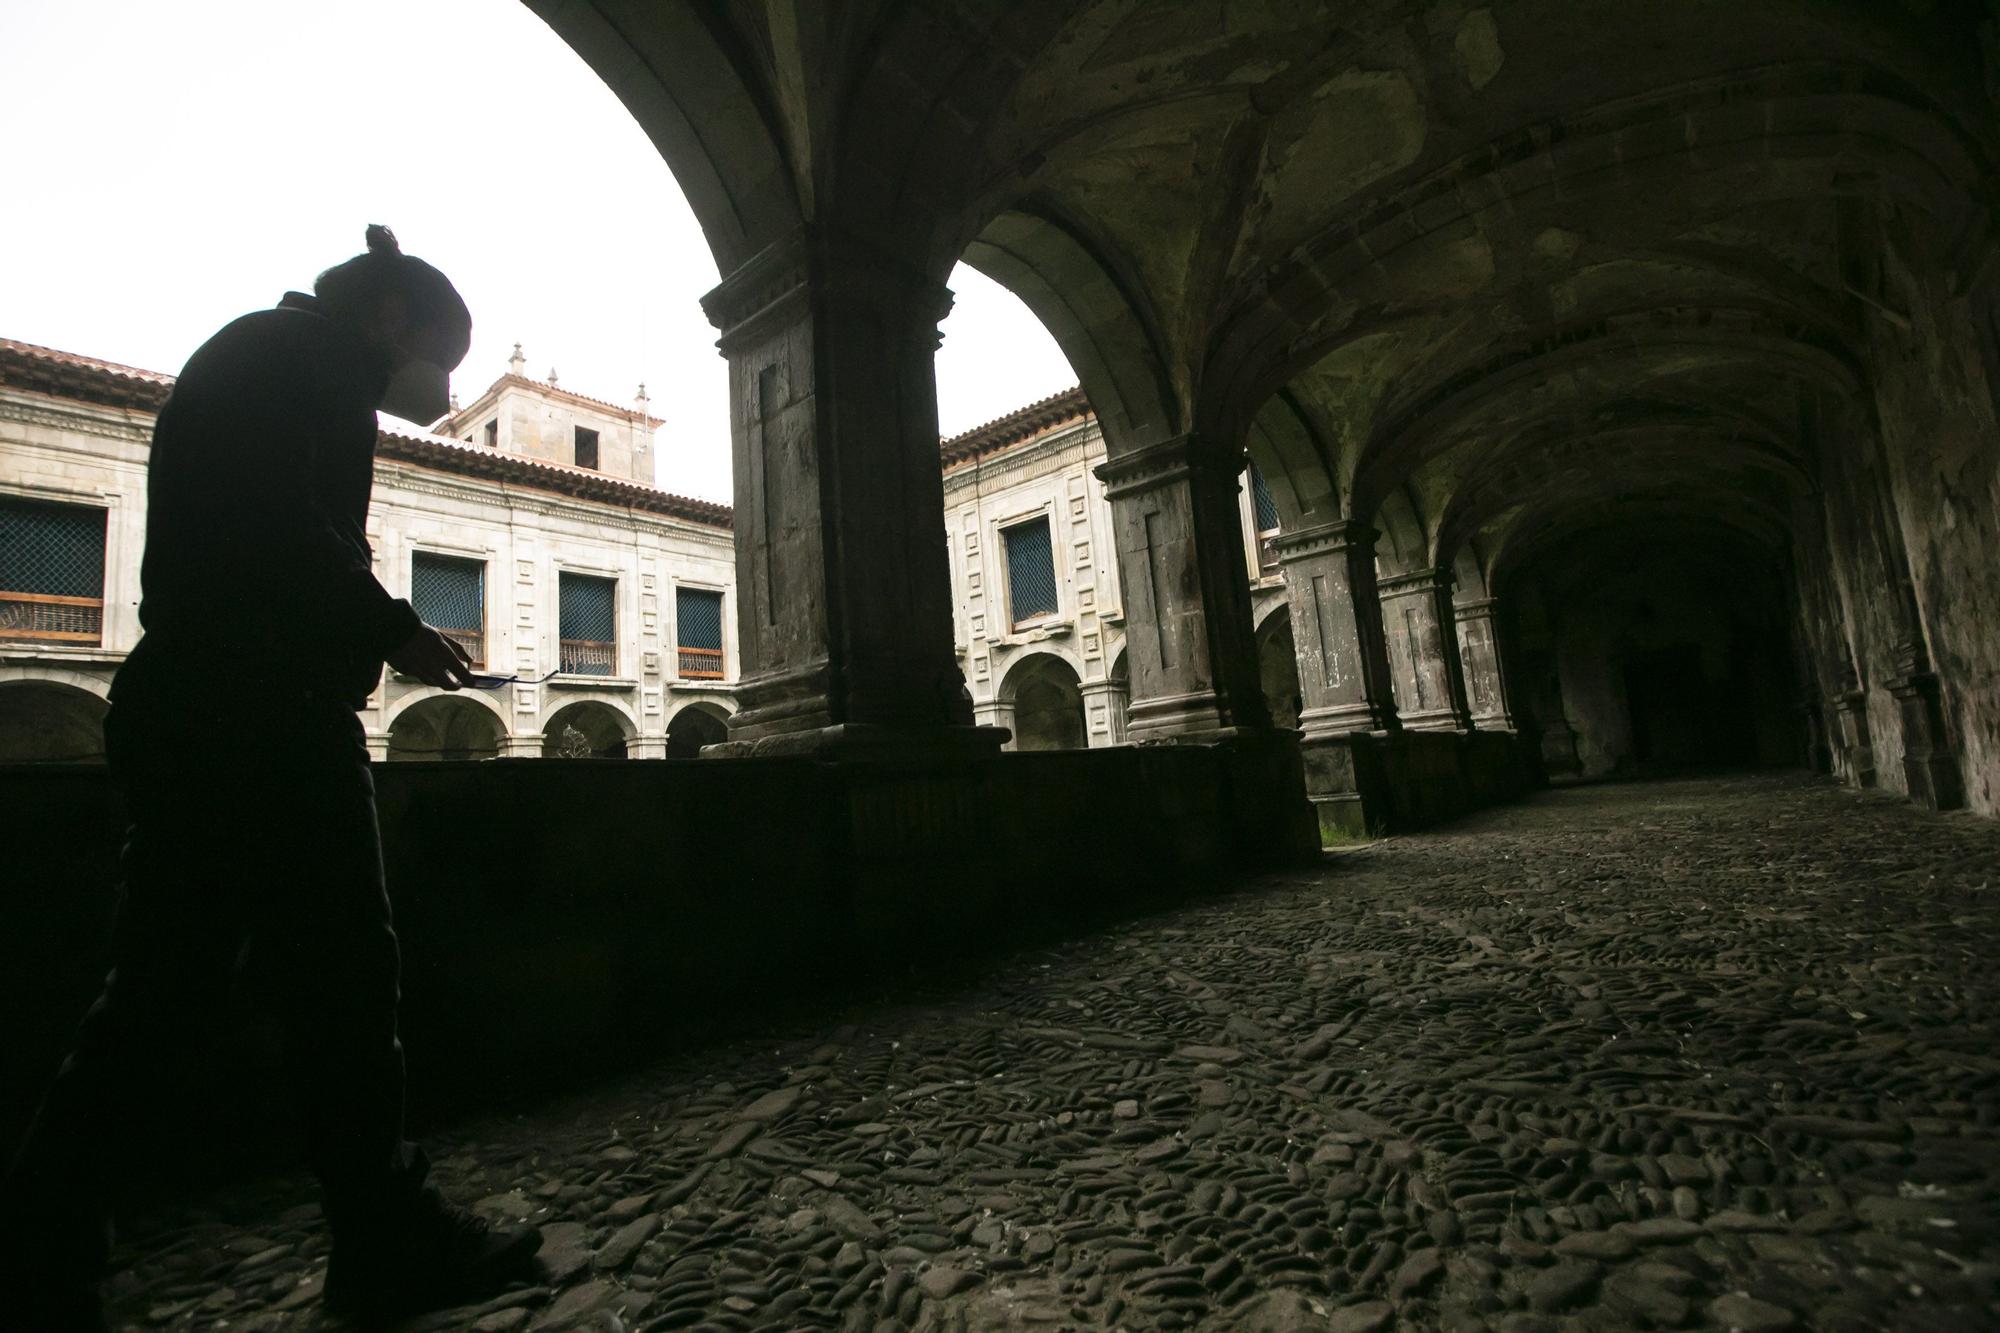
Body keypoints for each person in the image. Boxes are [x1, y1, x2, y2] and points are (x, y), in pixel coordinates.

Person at [0, 226, 542, 1328]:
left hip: (207, 702)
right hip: (259, 710)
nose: (431, 391)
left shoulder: (259, 354)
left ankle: (42, 1242)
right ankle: (376, 1239)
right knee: (335, 979)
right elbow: (285, 527)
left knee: (170, 988)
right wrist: (393, 624)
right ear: (389, 318)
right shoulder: (303, 362)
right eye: (435, 355)